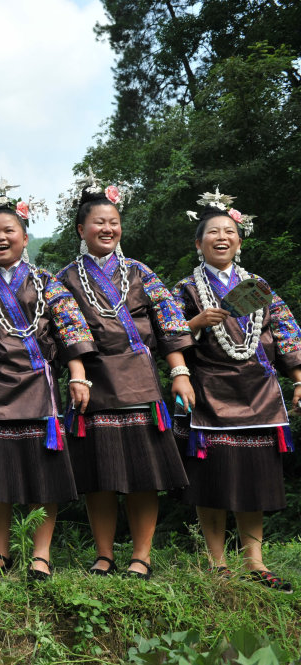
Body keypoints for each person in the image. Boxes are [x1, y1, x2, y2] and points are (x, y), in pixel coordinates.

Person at [0, 186, 96, 581]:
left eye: (9, 230)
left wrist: (79, 375)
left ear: (24, 237)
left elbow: (71, 327)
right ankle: (0, 555)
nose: (0, 237)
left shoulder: (48, 282)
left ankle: (41, 555)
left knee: (41, 474)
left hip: (37, 390)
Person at [55, 175, 193, 580]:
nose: (107, 229)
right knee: (100, 476)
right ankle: (103, 555)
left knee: (143, 475)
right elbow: (65, 330)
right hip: (93, 382)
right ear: (81, 229)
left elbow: (169, 319)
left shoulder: (140, 271)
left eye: (113, 222)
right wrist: (77, 374)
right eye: (98, 222)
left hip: (141, 380)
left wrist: (180, 371)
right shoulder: (64, 278)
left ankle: (141, 556)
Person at [172, 189, 301, 592]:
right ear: (199, 243)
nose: (222, 237)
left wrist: (299, 379)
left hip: (259, 394)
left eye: (229, 231)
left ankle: (256, 562)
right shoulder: (185, 290)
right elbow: (162, 336)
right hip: (208, 393)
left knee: (254, 478)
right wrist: (194, 323)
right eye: (213, 232)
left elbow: (285, 332)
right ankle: (217, 563)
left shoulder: (256, 286)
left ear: (239, 241)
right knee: (213, 479)